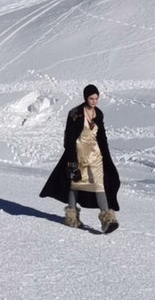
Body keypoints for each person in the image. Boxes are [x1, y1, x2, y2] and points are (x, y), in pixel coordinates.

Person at [40, 84, 120, 233]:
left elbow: (102, 137)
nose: (94, 101)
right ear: (85, 97)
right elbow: (69, 137)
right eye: (91, 98)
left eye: (96, 98)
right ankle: (72, 218)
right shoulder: (75, 113)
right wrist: (71, 160)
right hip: (78, 153)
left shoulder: (99, 114)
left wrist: (106, 156)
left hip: (95, 155)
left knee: (99, 184)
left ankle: (107, 220)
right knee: (76, 184)